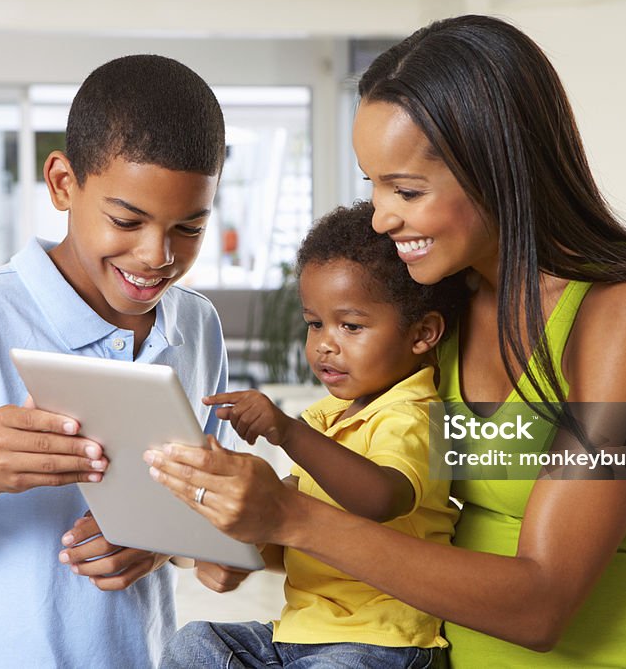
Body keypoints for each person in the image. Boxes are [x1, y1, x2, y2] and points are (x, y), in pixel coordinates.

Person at [146, 15, 626, 668]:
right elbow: (390, 503)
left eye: (406, 189)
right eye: (372, 184)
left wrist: (290, 516)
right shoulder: (444, 310)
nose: (382, 216)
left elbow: (542, 601)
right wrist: (237, 533)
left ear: (499, 169)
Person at [0, 54, 231, 668]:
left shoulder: (197, 326)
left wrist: (160, 542)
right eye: (126, 220)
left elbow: (205, 518)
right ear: (61, 183)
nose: (156, 255)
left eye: (189, 227)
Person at [158, 201, 467, 668]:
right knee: (193, 643)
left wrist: (287, 432)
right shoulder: (328, 417)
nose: (325, 343)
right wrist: (236, 541)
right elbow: (292, 516)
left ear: (422, 334)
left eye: (351, 326)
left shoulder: (414, 413)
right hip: (297, 634)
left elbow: (384, 498)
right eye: (315, 323)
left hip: (382, 643)